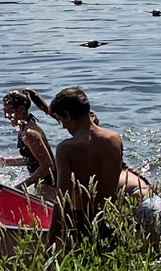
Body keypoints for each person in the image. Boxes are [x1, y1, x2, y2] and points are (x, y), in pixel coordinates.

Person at [47, 86, 125, 243]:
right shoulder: (114, 139)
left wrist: (52, 238)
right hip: (112, 219)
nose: (64, 127)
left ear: (68, 115)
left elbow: (63, 199)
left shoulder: (66, 148)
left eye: (61, 122)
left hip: (82, 223)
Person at [0, 88, 57, 195]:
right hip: (41, 185)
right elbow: (33, 159)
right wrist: (6, 161)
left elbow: (48, 166)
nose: (6, 116)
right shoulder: (23, 128)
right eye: (4, 112)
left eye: (9, 112)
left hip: (49, 188)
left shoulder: (30, 133)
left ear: (21, 109)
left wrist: (20, 187)